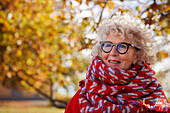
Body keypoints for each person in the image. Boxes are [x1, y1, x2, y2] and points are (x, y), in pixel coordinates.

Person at [65, 13, 170, 113]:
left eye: (122, 46)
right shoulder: (84, 96)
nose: (112, 52)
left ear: (137, 55)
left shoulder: (154, 96)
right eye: (108, 45)